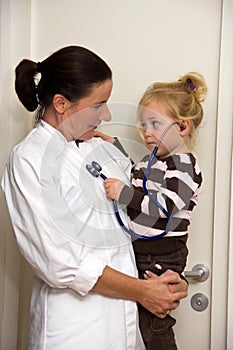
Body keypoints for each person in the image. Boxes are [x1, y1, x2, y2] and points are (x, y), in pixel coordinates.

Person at [1, 46, 188, 350]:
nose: (108, 115)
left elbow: (143, 217)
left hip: (129, 323)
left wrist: (167, 279)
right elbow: (59, 261)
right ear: (61, 103)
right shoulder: (29, 160)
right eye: (99, 105)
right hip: (76, 328)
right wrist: (142, 291)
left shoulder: (103, 149)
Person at [98, 72, 207, 350]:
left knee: (154, 326)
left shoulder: (184, 167)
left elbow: (164, 206)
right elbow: (133, 170)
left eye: (155, 124)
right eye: (144, 124)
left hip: (162, 257)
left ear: (182, 127)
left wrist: (126, 194)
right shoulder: (153, 162)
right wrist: (113, 145)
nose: (147, 131)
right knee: (133, 323)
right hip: (142, 253)